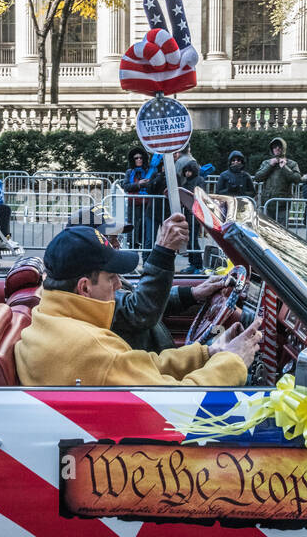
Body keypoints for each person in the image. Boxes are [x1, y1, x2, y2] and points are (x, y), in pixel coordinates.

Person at [14, 224, 260, 387]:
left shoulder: (46, 315)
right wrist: (233, 362)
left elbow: (140, 365)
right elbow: (181, 400)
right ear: (85, 287)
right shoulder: (94, 349)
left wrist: (209, 353)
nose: (119, 285)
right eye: (112, 278)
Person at [111, 212, 234, 352]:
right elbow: (139, 311)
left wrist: (193, 293)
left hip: (155, 361)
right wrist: (163, 251)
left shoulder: (109, 277)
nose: (117, 244)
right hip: (147, 366)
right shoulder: (95, 291)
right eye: (110, 238)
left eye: (117, 238)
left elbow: (143, 302)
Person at [121, 147, 162, 249]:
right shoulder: (130, 172)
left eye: (140, 157)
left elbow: (154, 185)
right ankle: (132, 246)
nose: (138, 159)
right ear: (132, 160)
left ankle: (144, 246)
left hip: (147, 203)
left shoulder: (151, 170)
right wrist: (138, 184)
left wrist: (148, 183)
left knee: (145, 226)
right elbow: (126, 186)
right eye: (136, 158)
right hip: (133, 203)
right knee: (132, 225)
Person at [253, 137, 302, 207]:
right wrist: (270, 166)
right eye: (274, 146)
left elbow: (297, 179)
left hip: (283, 204)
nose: (277, 148)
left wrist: (285, 167)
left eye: (280, 146)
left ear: (284, 148)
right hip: (267, 203)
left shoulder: (292, 164)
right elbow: (257, 177)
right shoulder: (266, 163)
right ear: (272, 149)